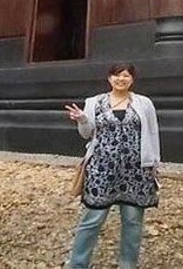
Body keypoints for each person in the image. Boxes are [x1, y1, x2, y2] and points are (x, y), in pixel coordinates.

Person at [64, 63, 161, 269]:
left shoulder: (144, 103)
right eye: (117, 75)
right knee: (92, 219)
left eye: (126, 76)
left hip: (136, 169)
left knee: (133, 221)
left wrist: (154, 162)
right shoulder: (94, 102)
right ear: (109, 78)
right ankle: (77, 264)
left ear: (132, 79)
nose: (121, 79)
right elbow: (87, 133)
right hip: (101, 168)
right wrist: (82, 119)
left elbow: (152, 133)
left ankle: (127, 265)